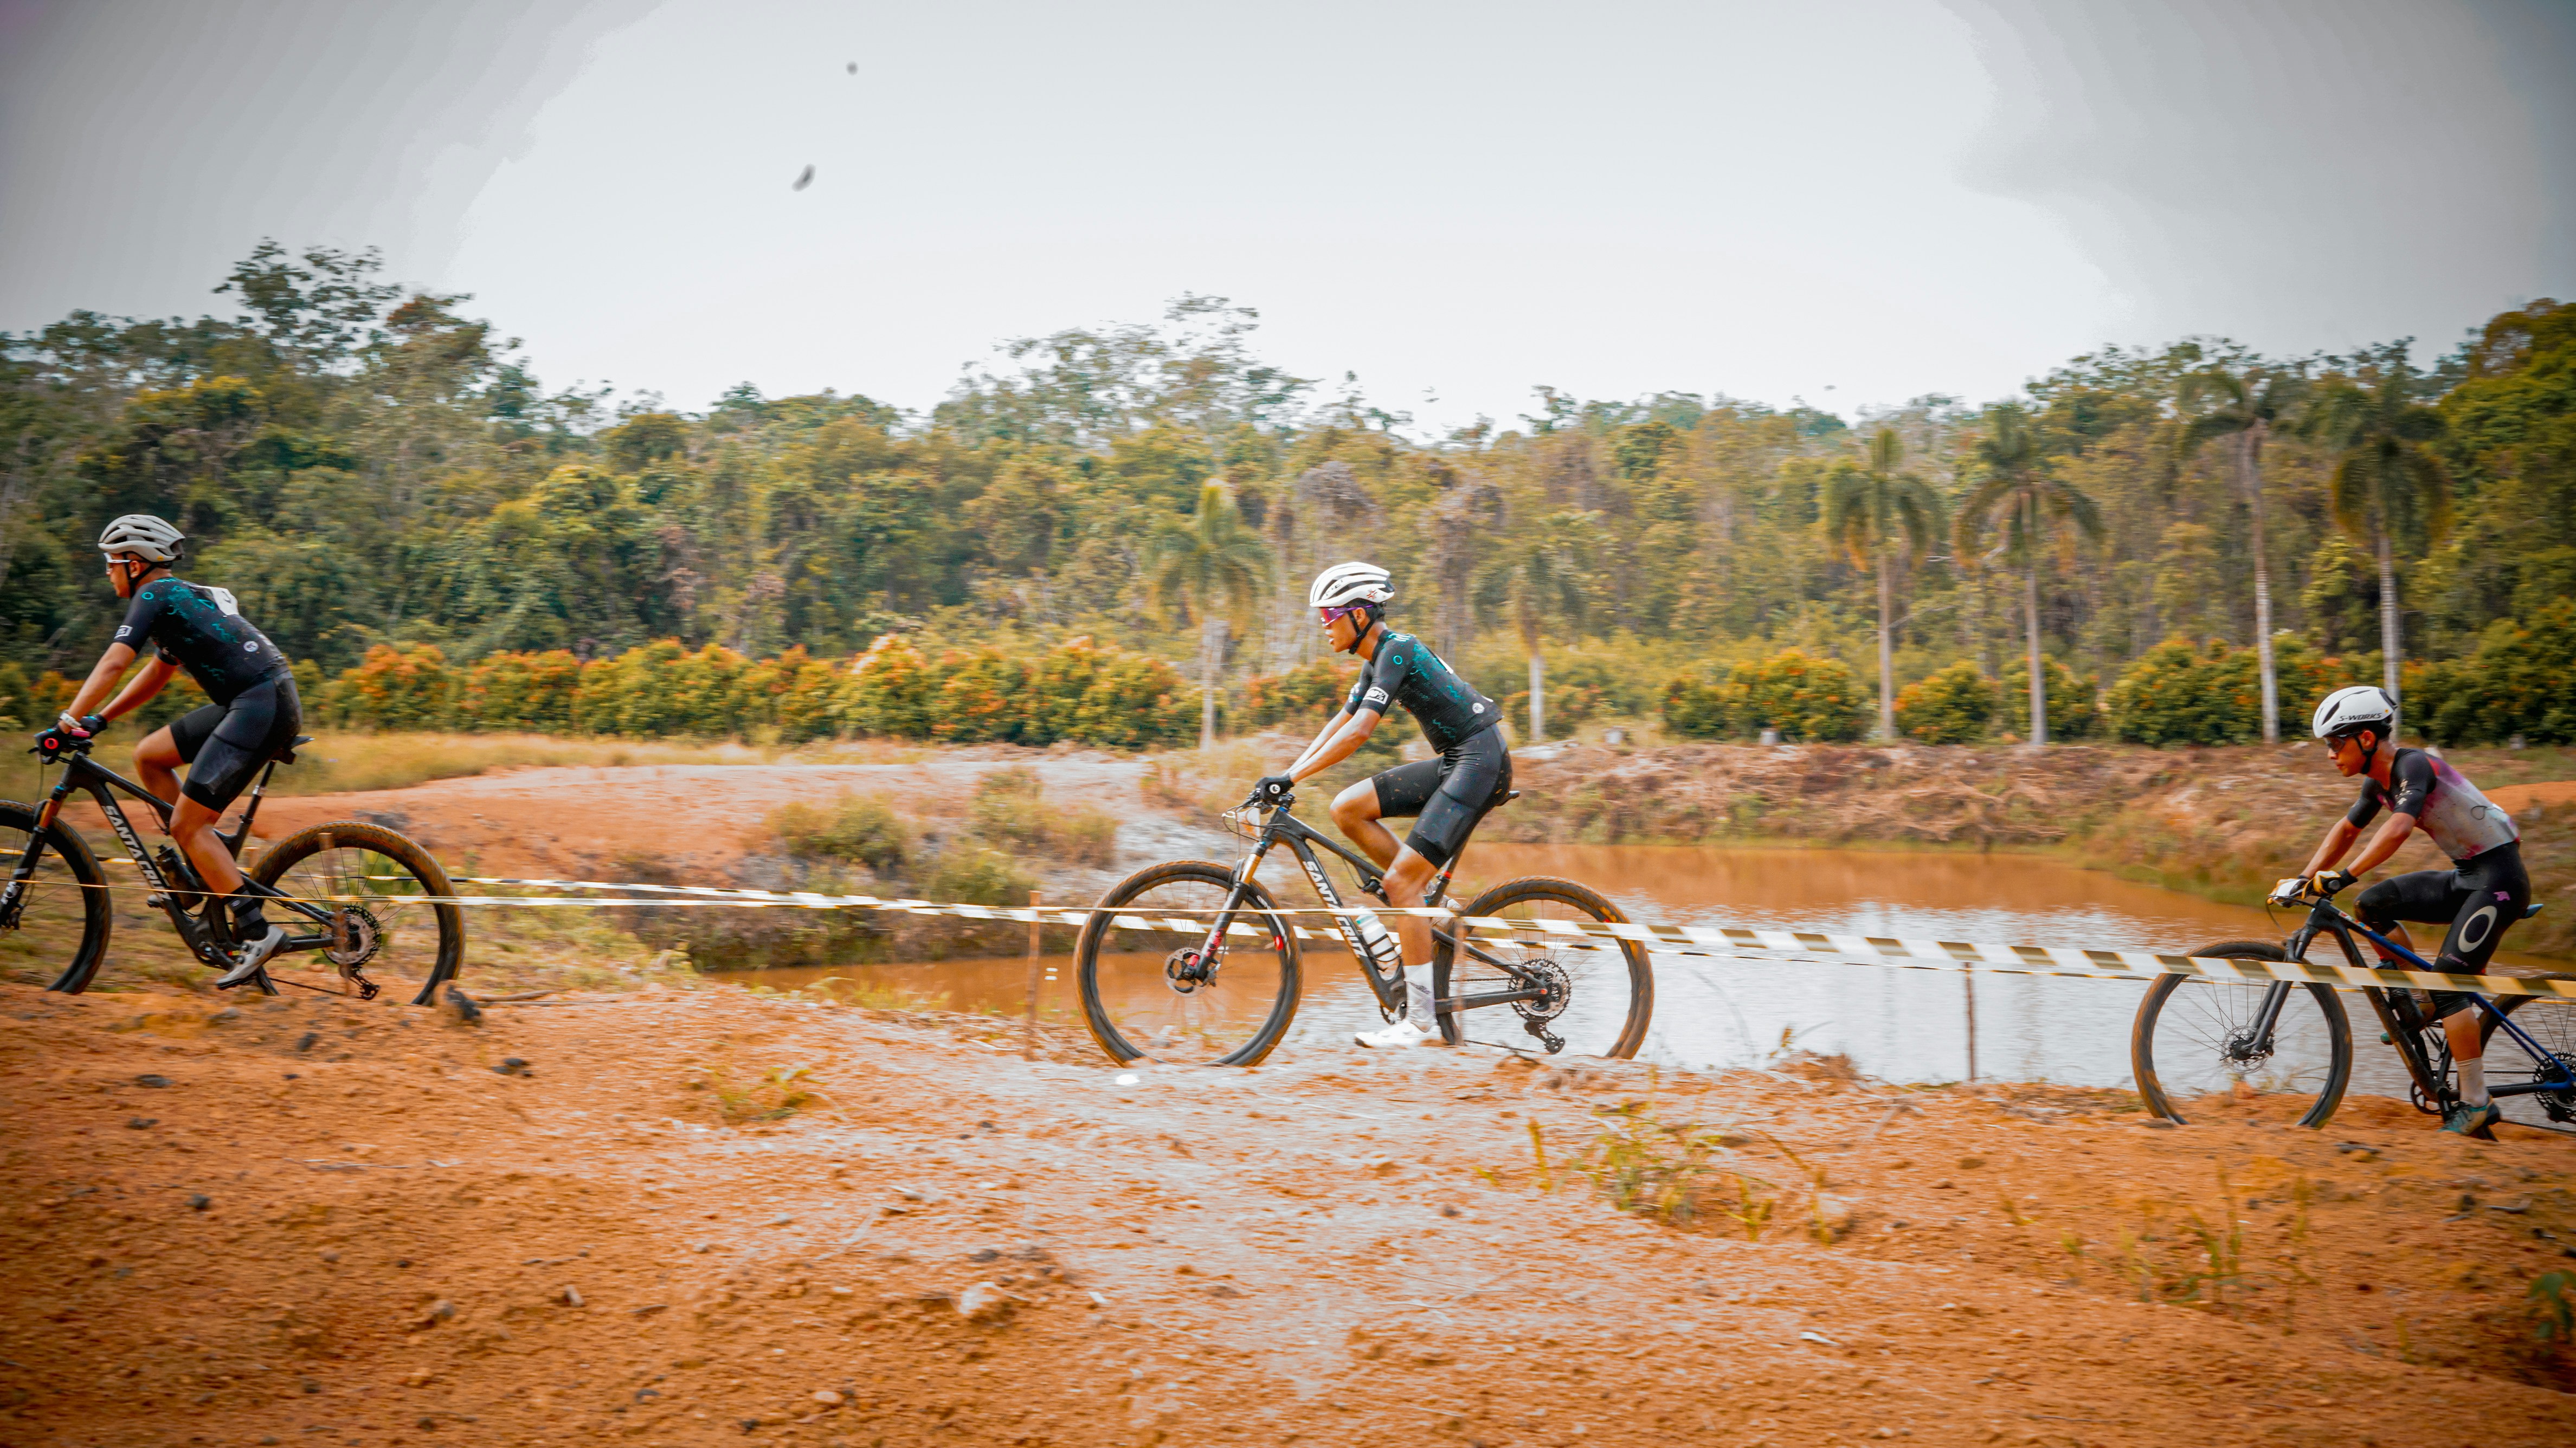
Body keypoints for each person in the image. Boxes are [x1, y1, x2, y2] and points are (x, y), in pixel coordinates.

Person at [1250, 561, 1510, 1049]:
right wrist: (1288, 774)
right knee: (1347, 807)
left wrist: (1293, 776)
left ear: (1359, 614)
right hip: (1459, 760)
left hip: (1481, 761)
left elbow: (1360, 732)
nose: (1324, 624)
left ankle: (1420, 1019)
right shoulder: (1375, 660)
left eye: (1329, 614)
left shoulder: (1398, 650)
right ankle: (1435, 906)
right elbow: (1339, 722)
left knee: (1398, 884)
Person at [36, 514, 303, 986]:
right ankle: (203, 863)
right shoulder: (178, 601)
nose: (107, 571)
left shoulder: (155, 596)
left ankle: (256, 931)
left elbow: (116, 660)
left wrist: (68, 720)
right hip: (254, 700)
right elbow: (156, 674)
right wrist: (100, 719)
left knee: (187, 822)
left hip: (259, 704)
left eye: (111, 562)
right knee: (150, 756)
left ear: (135, 564)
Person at [2280, 684, 2527, 1136]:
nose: (2331, 755)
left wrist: (2344, 874)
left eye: (2336, 744)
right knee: (2372, 905)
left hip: (2499, 881)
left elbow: (2397, 829)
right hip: (2466, 874)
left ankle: (2476, 1103)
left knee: (2450, 985)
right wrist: (2305, 876)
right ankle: (2419, 1002)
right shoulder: (2379, 782)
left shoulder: (2413, 766)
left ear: (2367, 740)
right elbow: (2347, 829)